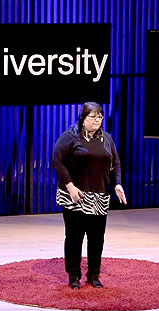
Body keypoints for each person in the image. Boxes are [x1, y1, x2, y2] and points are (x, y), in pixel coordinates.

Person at [52, 102, 127, 289]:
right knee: (74, 237)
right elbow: (57, 160)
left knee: (96, 238)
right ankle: (74, 276)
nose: (97, 120)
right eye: (93, 117)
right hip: (75, 196)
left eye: (100, 116)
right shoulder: (71, 136)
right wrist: (69, 185)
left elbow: (115, 163)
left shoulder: (107, 139)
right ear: (83, 118)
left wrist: (117, 183)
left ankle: (93, 275)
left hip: (99, 197)